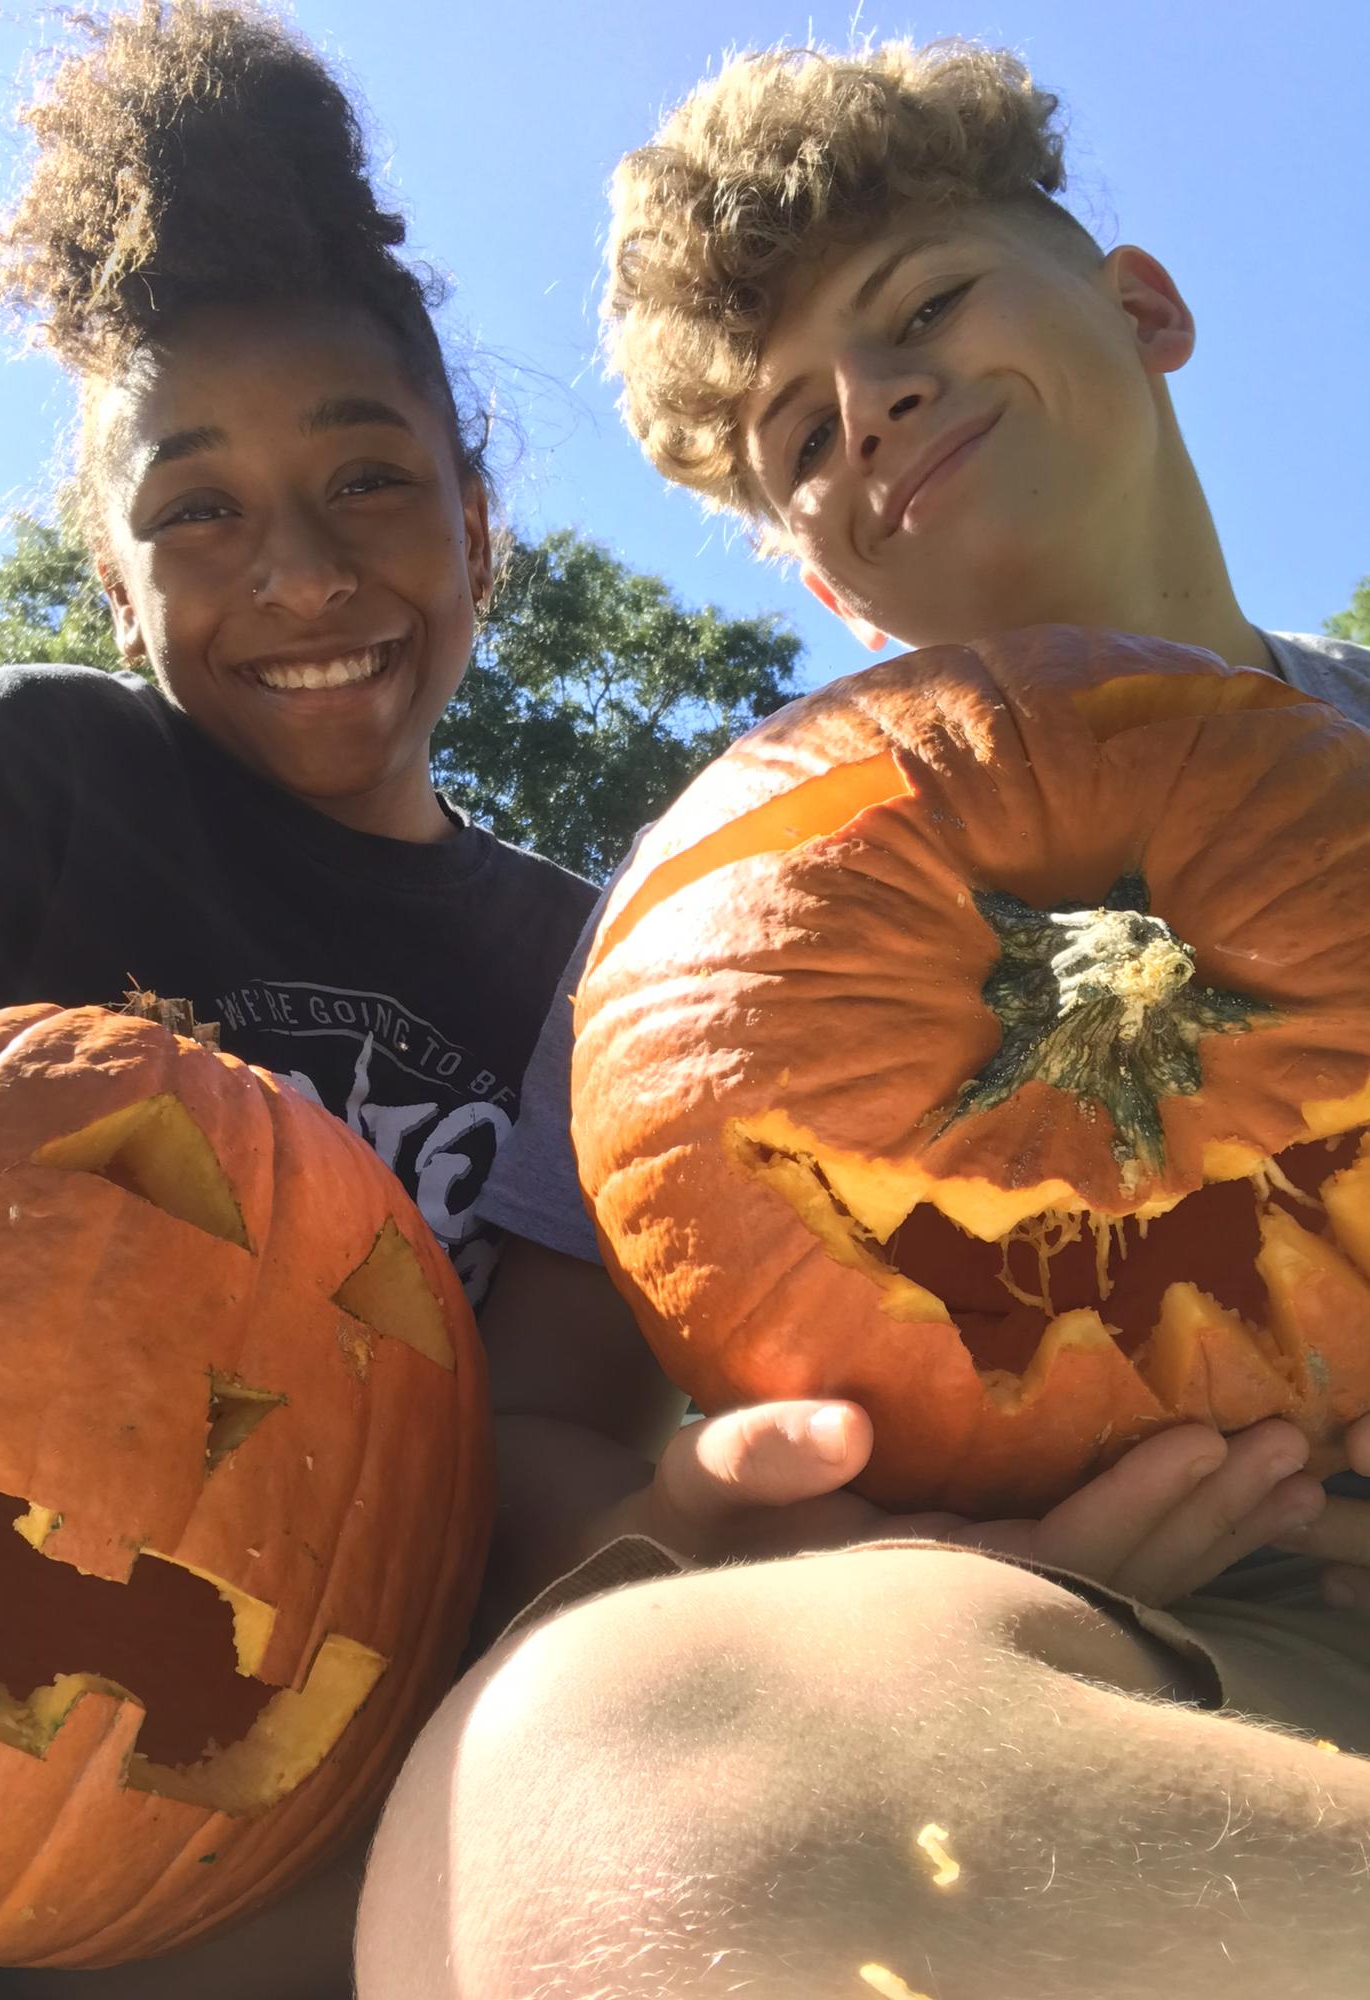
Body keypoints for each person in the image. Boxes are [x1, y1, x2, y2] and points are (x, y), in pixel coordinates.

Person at [357, 39, 1370, 1999]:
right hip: (1067, 1647)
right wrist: (831, 1537)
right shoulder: (702, 924)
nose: (869, 403)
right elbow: (554, 1419)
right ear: (812, 570)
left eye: (919, 306)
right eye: (795, 442)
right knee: (597, 1804)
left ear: (1141, 306)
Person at [0, 6, 681, 1997]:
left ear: (479, 522)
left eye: (366, 482)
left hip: (363, 1764)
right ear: (113, 576)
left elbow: (549, 1444)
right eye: (197, 511)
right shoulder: (46, 774)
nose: (300, 572)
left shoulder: (603, 965)